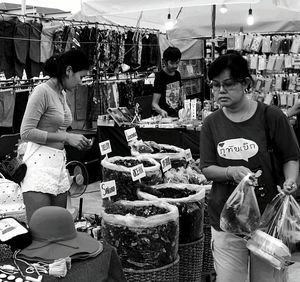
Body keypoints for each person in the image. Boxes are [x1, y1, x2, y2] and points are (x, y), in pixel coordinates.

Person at [199, 52, 300, 282]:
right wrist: (230, 172)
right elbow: (206, 168)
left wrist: (290, 180)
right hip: (227, 219)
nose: (220, 91)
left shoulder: (271, 117)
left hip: (268, 222)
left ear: (246, 83)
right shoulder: (211, 123)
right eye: (215, 86)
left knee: (268, 278)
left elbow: (291, 157)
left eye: (228, 84)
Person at [20, 49, 92, 222]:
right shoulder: (42, 91)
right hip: (39, 165)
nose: (81, 83)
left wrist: (74, 139)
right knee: (41, 230)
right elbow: (26, 132)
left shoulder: (61, 93)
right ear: (68, 71)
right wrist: (66, 137)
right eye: (81, 77)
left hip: (58, 164)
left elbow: (58, 130)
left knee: (57, 227)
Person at [152, 46, 182, 117]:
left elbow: (180, 94)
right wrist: (161, 111)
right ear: (165, 62)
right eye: (172, 63)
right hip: (164, 118)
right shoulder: (160, 77)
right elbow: (154, 104)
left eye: (177, 63)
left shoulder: (177, 74)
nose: (175, 66)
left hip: (176, 115)